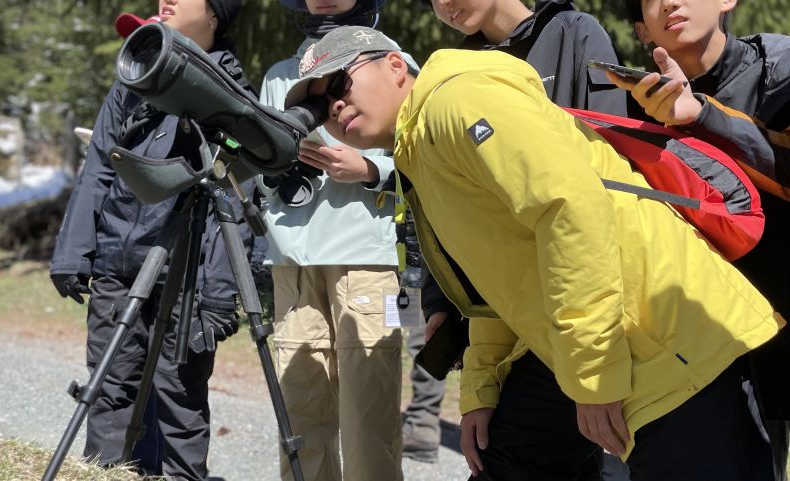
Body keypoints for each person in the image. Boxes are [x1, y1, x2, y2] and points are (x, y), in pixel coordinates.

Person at [284, 25, 785, 480]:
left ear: (395, 67)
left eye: (339, 85)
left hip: (674, 346)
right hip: (597, 343)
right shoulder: (419, 148)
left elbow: (571, 210)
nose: (334, 108)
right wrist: (482, 390)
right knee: (506, 454)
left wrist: (592, 378)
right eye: (318, 107)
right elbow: (495, 282)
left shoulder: (457, 99)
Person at [407, 0, 631, 468]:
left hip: (595, 305)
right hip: (510, 313)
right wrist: (441, 300)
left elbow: (607, 176)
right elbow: (449, 206)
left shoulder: (574, 33)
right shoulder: (456, 68)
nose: (443, 6)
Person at [49, 1, 255, 479]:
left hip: (187, 276)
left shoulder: (230, 93)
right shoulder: (133, 75)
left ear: (214, 15)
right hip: (118, 266)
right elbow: (99, 164)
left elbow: (237, 198)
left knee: (179, 396)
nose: (165, 1)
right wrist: (74, 251)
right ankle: (107, 473)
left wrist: (220, 295)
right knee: (109, 386)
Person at [607, 0, 790, 478]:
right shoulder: (627, 102)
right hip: (703, 346)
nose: (667, 2)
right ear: (640, 30)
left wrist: (700, 115)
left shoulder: (780, 68)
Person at [256, 1, 420, 480]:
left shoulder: (386, 58)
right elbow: (261, 167)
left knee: (368, 415)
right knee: (300, 411)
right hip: (292, 262)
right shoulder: (281, 75)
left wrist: (369, 169)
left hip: (366, 258)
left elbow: (423, 148)